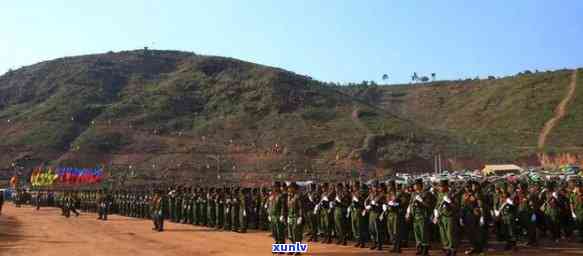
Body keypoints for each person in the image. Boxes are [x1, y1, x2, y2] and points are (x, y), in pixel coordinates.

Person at [407, 178, 431, 256]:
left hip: (422, 215)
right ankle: (419, 248)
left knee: (424, 233)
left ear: (419, 185)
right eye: (414, 185)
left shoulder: (426, 193)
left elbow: (428, 205)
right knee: (417, 233)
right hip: (415, 216)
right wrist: (408, 213)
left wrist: (421, 201)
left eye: (415, 185)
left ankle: (425, 249)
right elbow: (410, 204)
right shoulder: (413, 194)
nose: (414, 186)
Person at [285, 182, 304, 255]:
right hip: (290, 217)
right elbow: (288, 208)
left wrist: (300, 217)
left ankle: (297, 250)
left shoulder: (298, 196)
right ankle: (292, 249)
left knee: (296, 234)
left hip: (296, 217)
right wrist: (287, 217)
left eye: (290, 187)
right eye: (289, 188)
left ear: (294, 188)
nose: (289, 189)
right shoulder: (289, 196)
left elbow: (300, 208)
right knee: (290, 235)